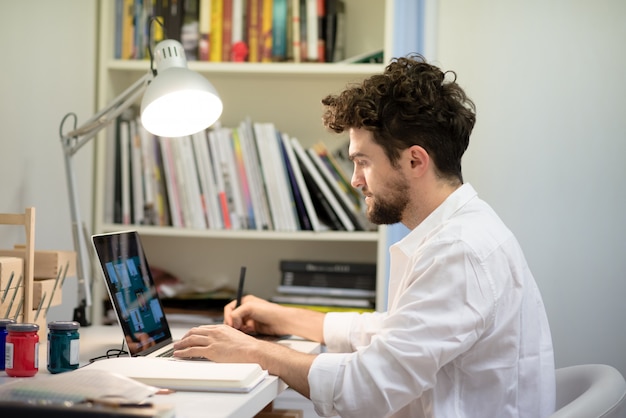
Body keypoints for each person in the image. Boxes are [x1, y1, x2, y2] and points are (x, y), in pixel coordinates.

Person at [173, 54, 556, 417]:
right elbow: (394, 333)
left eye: (362, 162)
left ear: (414, 160)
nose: (356, 180)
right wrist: (281, 317)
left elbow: (367, 388)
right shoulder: (462, 229)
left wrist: (251, 351)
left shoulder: (459, 251)